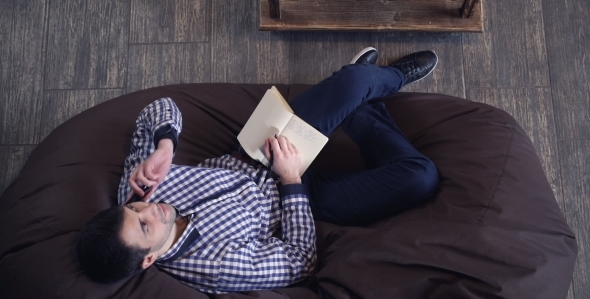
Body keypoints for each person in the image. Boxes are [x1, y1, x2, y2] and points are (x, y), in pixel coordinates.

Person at [76, 47, 440, 294]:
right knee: (420, 178)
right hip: (302, 198)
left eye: (133, 210)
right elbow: (300, 262)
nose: (147, 209)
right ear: (150, 259)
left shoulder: (139, 188)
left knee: (352, 84)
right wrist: (291, 179)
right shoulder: (216, 268)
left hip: (258, 149)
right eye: (144, 226)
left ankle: (382, 79)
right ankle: (361, 101)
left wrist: (164, 146)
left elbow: (159, 107)